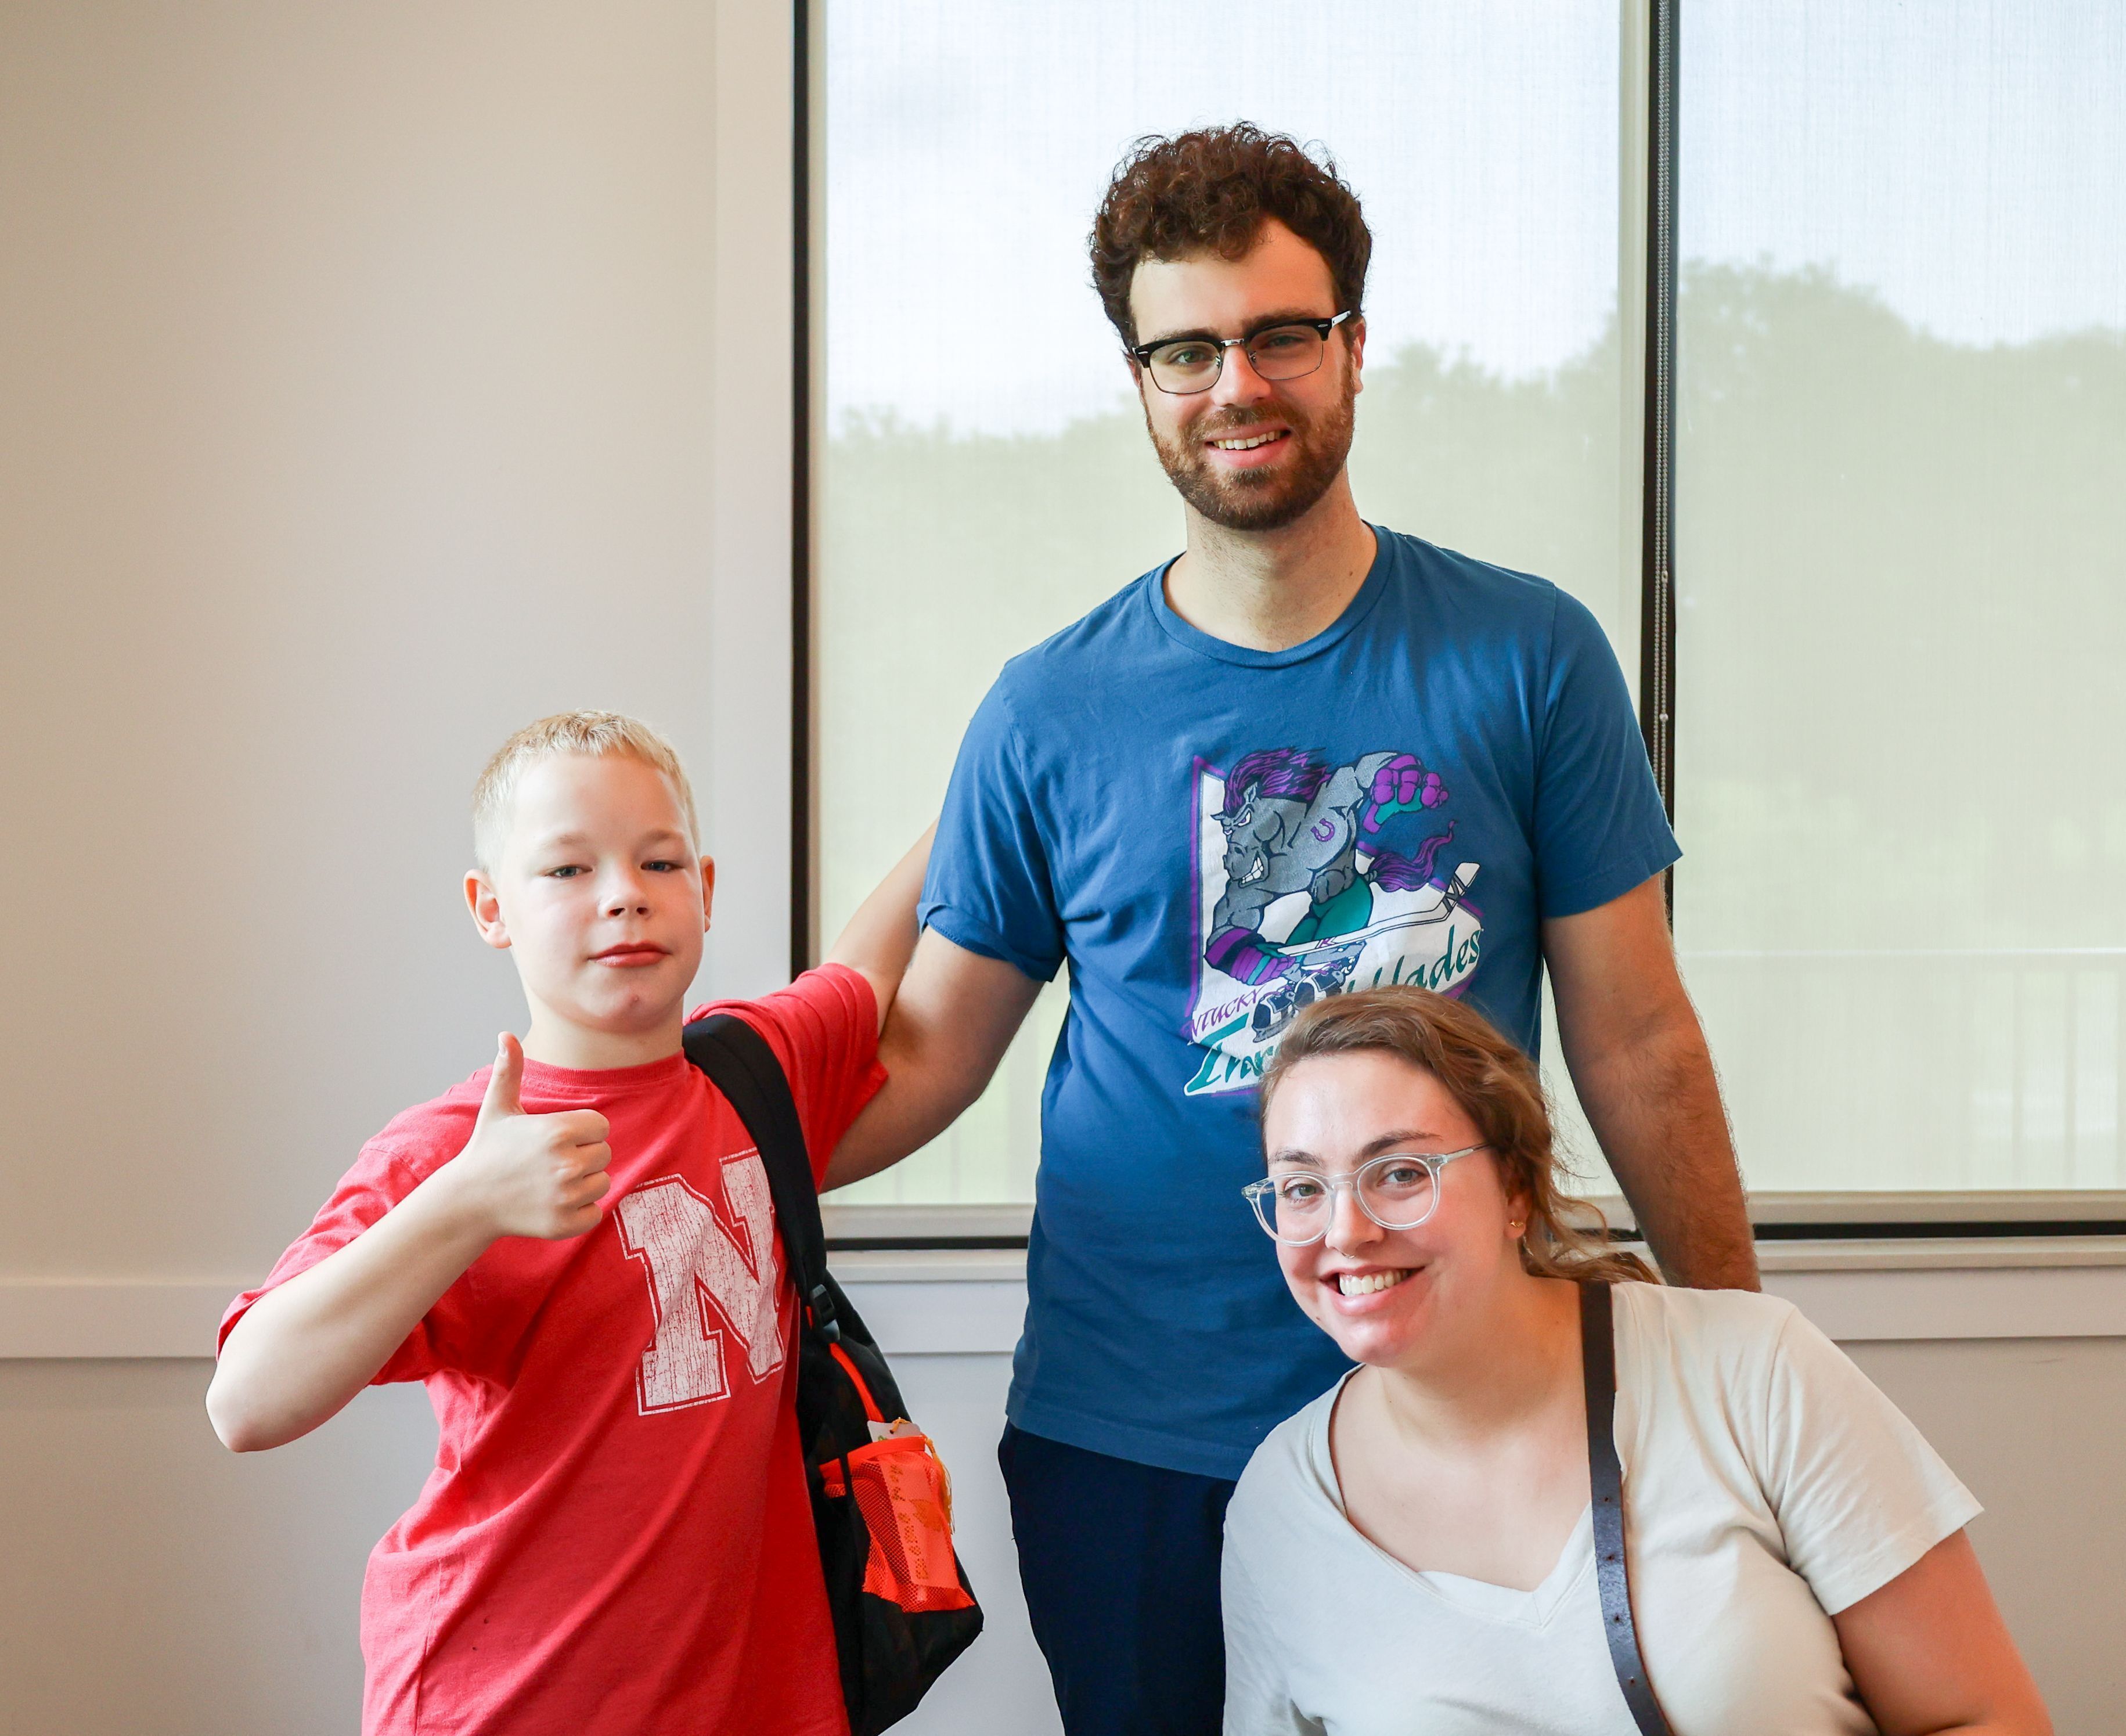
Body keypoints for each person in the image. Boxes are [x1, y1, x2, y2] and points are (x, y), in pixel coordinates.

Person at [826, 125, 1758, 1731]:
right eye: (1184, 348)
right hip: (1128, 1435)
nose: (1234, 383)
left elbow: (1633, 1036)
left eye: (1277, 334)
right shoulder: (1045, 706)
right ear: (1137, 374)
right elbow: (918, 1056)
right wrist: (688, 1140)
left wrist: (1740, 1365)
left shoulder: (1526, 655)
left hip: (1469, 1406)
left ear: (1349, 348)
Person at [206, 711, 930, 1736]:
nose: (623, 892)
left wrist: (987, 784)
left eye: (658, 860)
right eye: (565, 871)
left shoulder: (757, 1071)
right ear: (489, 906)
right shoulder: (450, 1151)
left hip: (754, 1700)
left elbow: (859, 974)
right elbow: (246, 1403)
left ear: (707, 890)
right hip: (508, 1698)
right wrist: (464, 1205)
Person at [1221, 985, 2050, 1736]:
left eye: (1400, 1173)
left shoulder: (1753, 1371)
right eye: (1301, 1187)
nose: (1344, 1230)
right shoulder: (1281, 1506)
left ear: (1515, 1186)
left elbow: (1985, 1716)